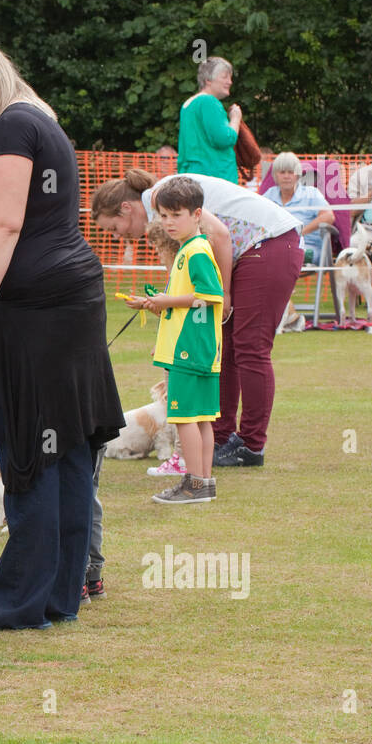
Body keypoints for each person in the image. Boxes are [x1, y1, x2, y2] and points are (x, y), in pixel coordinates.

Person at [0, 34, 124, 632]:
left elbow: (7, 223)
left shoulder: (13, 128)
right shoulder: (33, 119)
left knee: (30, 453)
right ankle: (58, 596)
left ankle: (19, 605)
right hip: (62, 301)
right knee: (61, 449)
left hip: (34, 308)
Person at [91, 169, 301, 468]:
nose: (118, 235)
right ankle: (221, 435)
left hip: (269, 245)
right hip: (261, 250)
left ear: (126, 208)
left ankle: (251, 444)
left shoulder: (157, 199)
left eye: (114, 227)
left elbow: (220, 235)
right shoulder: (163, 209)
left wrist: (224, 294)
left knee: (249, 349)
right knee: (223, 348)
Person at [125, 178, 224, 504]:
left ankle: (193, 485)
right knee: (201, 419)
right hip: (196, 347)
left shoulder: (195, 251)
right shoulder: (191, 249)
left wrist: (166, 301)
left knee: (184, 419)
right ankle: (203, 483)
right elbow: (188, 305)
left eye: (175, 215)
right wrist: (155, 304)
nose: (168, 222)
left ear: (197, 214)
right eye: (163, 215)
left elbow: (208, 296)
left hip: (190, 351)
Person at [178, 57, 242, 184]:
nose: (230, 82)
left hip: (191, 175)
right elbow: (224, 139)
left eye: (230, 78)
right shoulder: (209, 101)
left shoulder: (188, 104)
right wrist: (236, 119)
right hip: (214, 177)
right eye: (224, 77)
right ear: (208, 80)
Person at [264, 152, 335, 264]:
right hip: (277, 246)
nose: (286, 176)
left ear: (297, 175)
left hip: (306, 246)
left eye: (291, 172)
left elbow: (328, 216)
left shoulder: (311, 193)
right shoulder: (269, 194)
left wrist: (300, 233)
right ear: (275, 175)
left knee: (283, 253)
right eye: (282, 172)